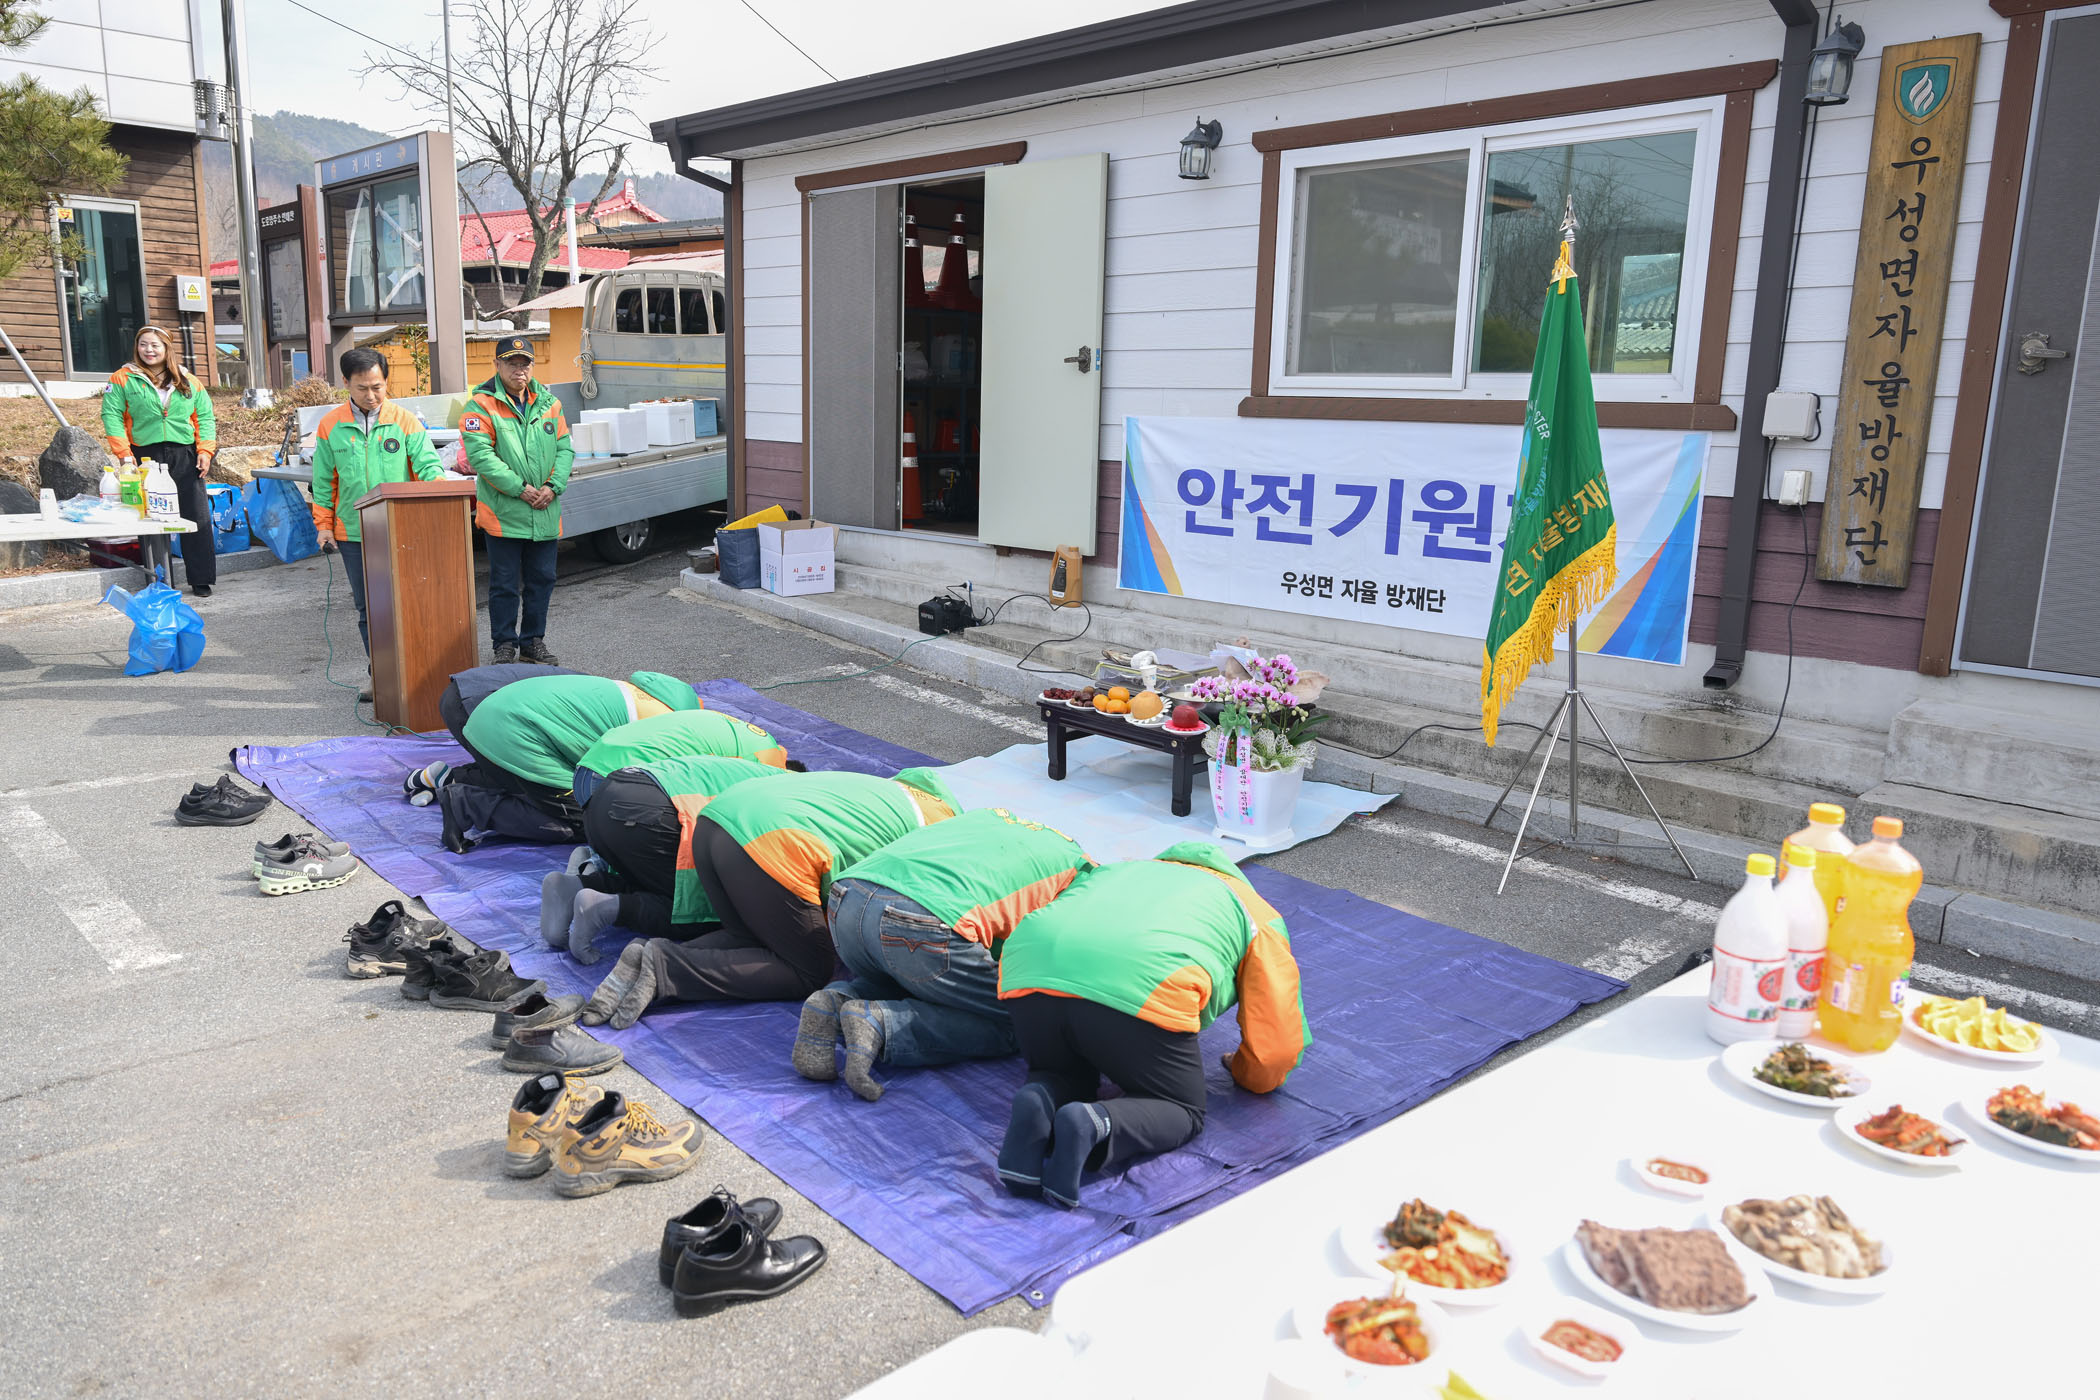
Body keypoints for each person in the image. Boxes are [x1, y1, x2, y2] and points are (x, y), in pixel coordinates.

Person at [993, 841, 1310, 1210]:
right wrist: (1247, 1073)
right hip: (1138, 985)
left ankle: (1037, 1100)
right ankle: (1093, 1123)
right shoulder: (1254, 911)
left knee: (1062, 1071)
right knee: (1180, 1109)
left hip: (1028, 968)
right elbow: (1276, 1048)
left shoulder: (1118, 869)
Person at [581, 768, 958, 1028]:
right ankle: (666, 969)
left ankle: (647, 957)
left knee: (750, 937)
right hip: (772, 838)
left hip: (714, 818)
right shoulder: (940, 834)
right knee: (807, 969)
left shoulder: (888, 792)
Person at [795, 808, 1092, 1102]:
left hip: (846, 899)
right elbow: (1042, 951)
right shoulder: (1082, 875)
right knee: (1022, 1019)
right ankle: (881, 1024)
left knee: (916, 977)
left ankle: (836, 1002)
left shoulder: (991, 817)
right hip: (922, 921)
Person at [543, 753, 792, 964]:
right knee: (704, 912)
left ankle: (576, 886)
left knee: (650, 881)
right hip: (648, 811)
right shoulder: (789, 799)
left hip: (605, 795)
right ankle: (604, 908)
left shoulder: (766, 774)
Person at [431, 669, 700, 852]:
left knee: (541, 788)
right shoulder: (662, 727)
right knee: (591, 822)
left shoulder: (633, 695)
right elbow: (620, 782)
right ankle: (467, 804)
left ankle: (458, 782)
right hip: (514, 733)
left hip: (491, 718)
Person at [309, 347, 447, 693]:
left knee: (409, 601)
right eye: (362, 388)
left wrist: (439, 493)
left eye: (378, 387)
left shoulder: (405, 421)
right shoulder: (330, 426)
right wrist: (324, 526)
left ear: (386, 382)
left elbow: (428, 466)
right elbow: (324, 482)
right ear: (345, 383)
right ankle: (380, 674)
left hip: (402, 528)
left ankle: (416, 670)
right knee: (368, 608)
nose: (371, 396)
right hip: (353, 532)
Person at [461, 335, 571, 664]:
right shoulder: (480, 405)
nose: (519, 369)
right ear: (497, 365)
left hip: (545, 510)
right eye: (511, 363)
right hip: (504, 513)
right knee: (505, 585)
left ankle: (533, 642)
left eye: (525, 363)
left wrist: (553, 486)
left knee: (542, 581)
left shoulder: (550, 403)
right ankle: (504, 644)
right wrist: (521, 488)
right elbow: (481, 457)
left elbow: (565, 448)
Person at [100, 326, 218, 597]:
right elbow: (112, 416)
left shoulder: (187, 379)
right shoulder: (122, 378)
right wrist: (124, 455)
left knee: (195, 515)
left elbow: (204, 416)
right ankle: (155, 577)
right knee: (148, 517)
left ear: (167, 348)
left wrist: (205, 450)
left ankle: (201, 578)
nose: (149, 350)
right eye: (143, 344)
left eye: (155, 345)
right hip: (144, 454)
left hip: (185, 454)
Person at [572, 708, 797, 806]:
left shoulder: (752, 740)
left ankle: (592, 866)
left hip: (585, 771)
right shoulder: (765, 763)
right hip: (619, 778)